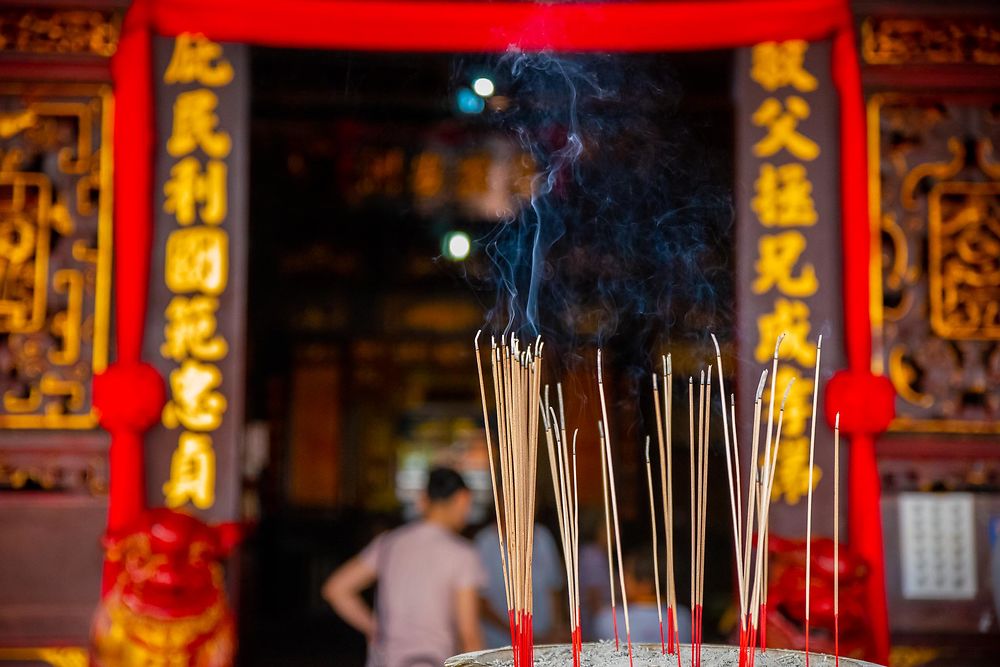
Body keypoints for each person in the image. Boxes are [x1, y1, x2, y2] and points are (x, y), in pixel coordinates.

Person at [323, 467, 485, 667]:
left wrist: (374, 628)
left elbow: (336, 589)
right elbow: (469, 635)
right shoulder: (462, 554)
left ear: (424, 499)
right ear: (462, 499)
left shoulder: (389, 542)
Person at [475, 518, 564, 648]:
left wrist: (555, 627)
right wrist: (520, 636)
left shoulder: (543, 537)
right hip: (500, 644)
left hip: (544, 639)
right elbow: (480, 603)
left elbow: (554, 588)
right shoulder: (484, 543)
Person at [594, 546, 691, 645]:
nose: (620, 580)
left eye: (626, 574)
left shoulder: (609, 619)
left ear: (646, 584)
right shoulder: (683, 617)